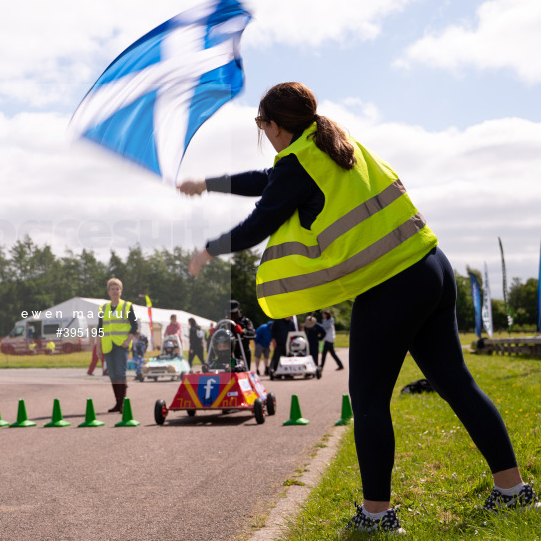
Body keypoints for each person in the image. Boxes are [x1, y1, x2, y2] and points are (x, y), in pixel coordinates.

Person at [178, 81, 537, 532]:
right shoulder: (333, 143)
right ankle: (513, 491)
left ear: (275, 125)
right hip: (430, 265)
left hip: (391, 284)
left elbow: (262, 220)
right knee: (457, 384)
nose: (261, 131)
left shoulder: (299, 163)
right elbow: (269, 182)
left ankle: (377, 516)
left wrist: (208, 250)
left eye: (260, 123)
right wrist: (207, 184)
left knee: (368, 400)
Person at [96, 278, 138, 412]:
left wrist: (128, 340)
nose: (115, 291)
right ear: (108, 292)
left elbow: (134, 326)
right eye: (112, 289)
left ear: (121, 291)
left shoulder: (127, 306)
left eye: (117, 289)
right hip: (108, 345)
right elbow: (100, 328)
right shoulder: (103, 308)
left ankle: (123, 403)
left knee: (120, 373)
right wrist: (98, 346)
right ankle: (118, 403)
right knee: (113, 375)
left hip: (122, 345)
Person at [227, 300, 255, 370]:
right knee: (231, 368)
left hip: (243, 351)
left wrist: (242, 332)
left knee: (244, 369)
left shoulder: (245, 321)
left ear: (240, 311)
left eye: (234, 313)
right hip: (229, 352)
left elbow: (252, 333)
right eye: (229, 313)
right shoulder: (225, 323)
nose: (231, 315)